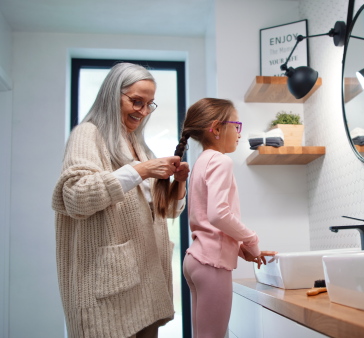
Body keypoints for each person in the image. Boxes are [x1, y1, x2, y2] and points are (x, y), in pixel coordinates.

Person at [52, 62, 190, 338]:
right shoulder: (88, 134)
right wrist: (142, 170)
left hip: (143, 283)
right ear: (111, 95)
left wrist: (178, 183)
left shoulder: (136, 144)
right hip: (108, 289)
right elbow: (76, 195)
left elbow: (165, 212)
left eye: (149, 104)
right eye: (136, 101)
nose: (142, 111)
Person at [154, 98, 276, 338]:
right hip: (212, 264)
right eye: (236, 126)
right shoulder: (221, 161)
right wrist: (251, 239)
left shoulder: (202, 161)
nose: (239, 134)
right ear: (217, 129)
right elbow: (219, 214)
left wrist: (240, 247)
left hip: (196, 260)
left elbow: (208, 220)